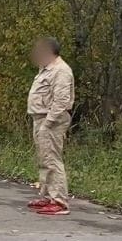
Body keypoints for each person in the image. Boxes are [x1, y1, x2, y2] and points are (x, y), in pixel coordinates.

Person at [26, 37, 75, 216]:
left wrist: (48, 123)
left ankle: (59, 201)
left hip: (51, 120)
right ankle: (47, 196)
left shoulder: (61, 70)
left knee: (52, 159)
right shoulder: (45, 68)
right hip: (40, 118)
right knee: (44, 158)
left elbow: (61, 101)